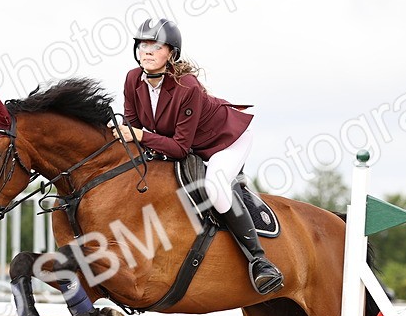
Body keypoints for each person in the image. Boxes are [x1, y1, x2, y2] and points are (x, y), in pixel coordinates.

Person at [119, 18, 283, 295]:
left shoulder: (188, 87)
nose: (147, 51)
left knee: (215, 185)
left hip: (226, 140)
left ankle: (259, 260)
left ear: (171, 53)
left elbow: (179, 148)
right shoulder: (132, 79)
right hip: (190, 143)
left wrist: (140, 136)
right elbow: (132, 129)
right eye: (143, 45)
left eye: (155, 46)